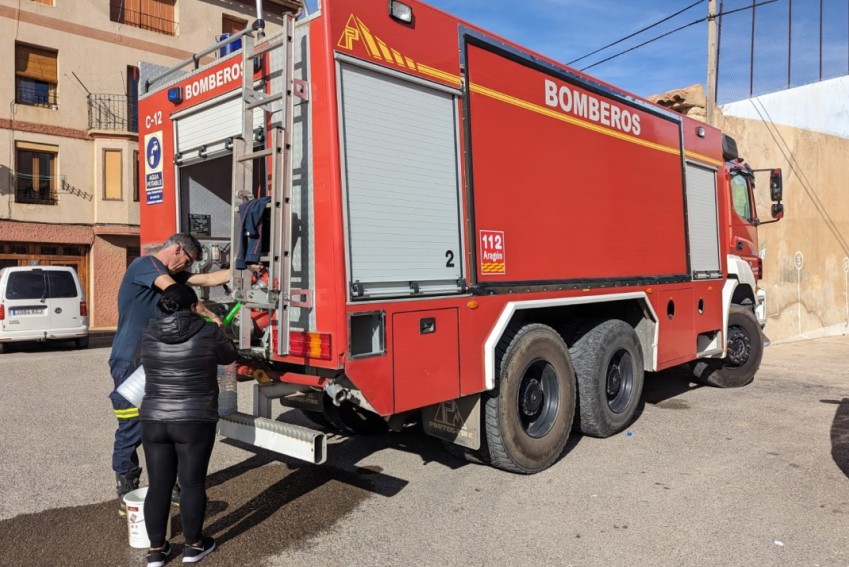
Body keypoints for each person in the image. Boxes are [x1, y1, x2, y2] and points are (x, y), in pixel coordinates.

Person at [109, 233, 230, 517]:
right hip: (130, 359)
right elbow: (177, 294)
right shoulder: (146, 265)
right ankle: (127, 490)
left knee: (164, 422)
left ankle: (167, 485)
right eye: (186, 260)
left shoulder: (167, 273)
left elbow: (209, 280)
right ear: (176, 249)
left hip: (152, 359)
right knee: (132, 426)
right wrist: (210, 317)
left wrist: (245, 270)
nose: (185, 266)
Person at [140, 283, 238, 566]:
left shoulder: (147, 332)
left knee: (158, 484)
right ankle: (194, 545)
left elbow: (141, 361)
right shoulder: (207, 332)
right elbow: (230, 356)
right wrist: (220, 327)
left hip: (154, 417)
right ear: (194, 305)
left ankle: (156, 551)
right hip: (195, 418)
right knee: (192, 482)